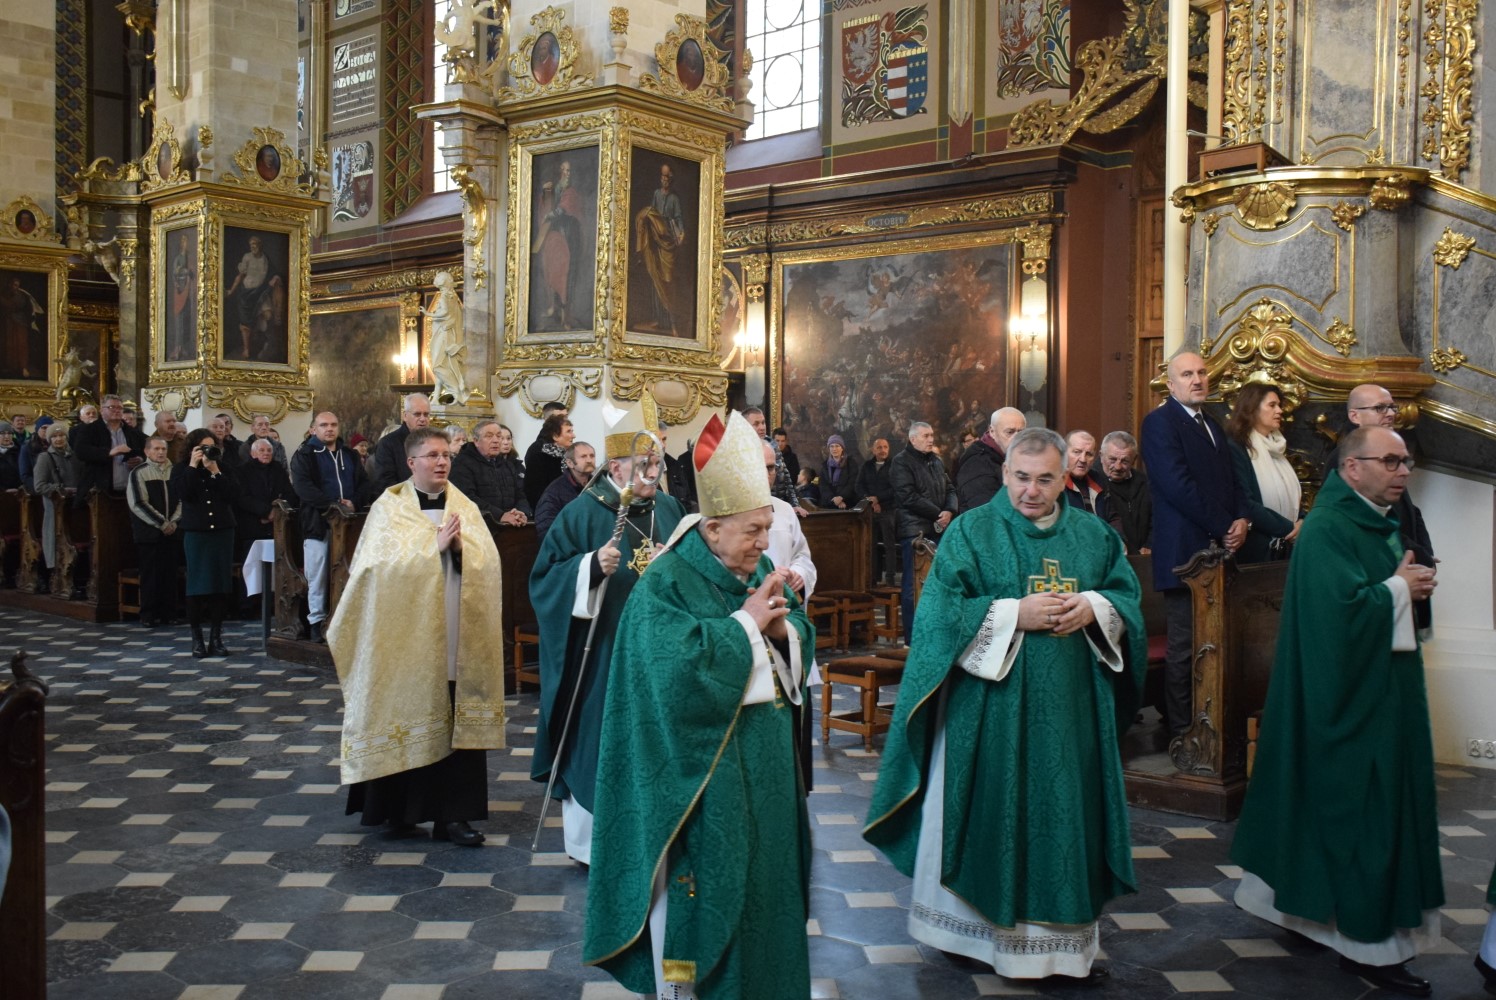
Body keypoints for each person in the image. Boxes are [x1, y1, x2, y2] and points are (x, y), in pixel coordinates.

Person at [864, 428, 1145, 983]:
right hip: (987, 713)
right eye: (1021, 477)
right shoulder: (972, 532)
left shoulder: (1093, 536)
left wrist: (1094, 607)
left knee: (1060, 815)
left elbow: (1127, 600)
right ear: (1004, 474)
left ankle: (1059, 950)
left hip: (1070, 717)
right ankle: (963, 933)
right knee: (988, 806)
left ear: (1065, 477)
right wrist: (1015, 613)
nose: (1031, 491)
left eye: (1045, 479)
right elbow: (940, 618)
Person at [583, 410, 814, 1000]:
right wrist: (746, 626)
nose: (766, 544)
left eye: (768, 527)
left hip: (762, 768)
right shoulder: (665, 584)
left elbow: (794, 630)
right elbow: (671, 675)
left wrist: (785, 632)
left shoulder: (756, 565)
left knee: (766, 885)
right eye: (753, 531)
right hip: (695, 777)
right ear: (712, 530)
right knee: (709, 884)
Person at [1231, 425, 1442, 998]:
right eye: (1391, 461)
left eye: (1406, 461)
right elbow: (1338, 616)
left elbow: (1372, 592)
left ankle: (1308, 913)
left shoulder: (1371, 518)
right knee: (1362, 809)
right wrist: (1400, 590)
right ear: (1353, 468)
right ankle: (1367, 945)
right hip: (1344, 699)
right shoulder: (1328, 527)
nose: (1403, 471)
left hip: (1380, 688)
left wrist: (1406, 585)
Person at [329, 426, 506, 847]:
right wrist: (434, 550)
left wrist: (463, 551)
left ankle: (454, 817)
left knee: (454, 715)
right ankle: (397, 810)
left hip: (456, 634)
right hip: (404, 640)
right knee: (405, 706)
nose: (442, 461)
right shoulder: (389, 508)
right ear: (411, 463)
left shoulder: (465, 506)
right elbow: (372, 571)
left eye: (446, 454)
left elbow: (489, 563)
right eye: (431, 455)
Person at [529, 400, 684, 865]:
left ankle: (654, 833)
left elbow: (694, 569)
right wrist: (589, 568)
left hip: (657, 651)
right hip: (601, 653)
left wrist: (670, 564)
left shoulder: (672, 509)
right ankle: (590, 845)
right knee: (596, 736)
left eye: (656, 464)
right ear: (615, 467)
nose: (652, 473)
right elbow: (544, 578)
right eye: (643, 465)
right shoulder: (582, 514)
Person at [1139, 351, 1250, 739]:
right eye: (1187, 374)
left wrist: (1241, 519)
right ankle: (1183, 732)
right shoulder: (1159, 423)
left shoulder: (1212, 424)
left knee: (1215, 644)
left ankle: (1211, 726)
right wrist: (1224, 524)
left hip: (1217, 553)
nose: (1197, 379)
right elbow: (1177, 486)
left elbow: (1232, 481)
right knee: (1185, 648)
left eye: (1202, 372)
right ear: (1170, 384)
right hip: (1185, 554)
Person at [1331, 384, 1436, 633]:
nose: (1390, 413)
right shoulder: (1344, 460)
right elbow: (1365, 521)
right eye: (1380, 408)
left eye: (1391, 407)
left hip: (1404, 560)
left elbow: (1411, 511)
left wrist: (1425, 551)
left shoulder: (1388, 451)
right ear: (1354, 416)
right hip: (1381, 573)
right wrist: (1416, 551)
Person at [291, 411, 368, 644]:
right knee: (318, 575)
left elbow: (365, 483)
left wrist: (353, 502)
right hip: (318, 524)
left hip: (350, 525)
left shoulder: (349, 455)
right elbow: (304, 488)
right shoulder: (305, 455)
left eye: (334, 424)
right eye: (323, 425)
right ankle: (316, 622)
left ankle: (348, 620)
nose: (329, 429)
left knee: (351, 572)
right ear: (314, 429)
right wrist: (334, 506)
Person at [890, 421, 957, 644]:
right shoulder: (901, 462)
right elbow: (907, 496)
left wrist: (949, 510)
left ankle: (934, 635)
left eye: (932, 435)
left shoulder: (936, 462)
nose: (931, 439)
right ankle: (913, 639)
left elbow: (950, 489)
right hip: (914, 531)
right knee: (913, 584)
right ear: (913, 439)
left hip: (938, 527)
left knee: (938, 583)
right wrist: (939, 513)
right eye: (926, 436)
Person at [176, 428, 239, 657]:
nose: (207, 451)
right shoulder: (182, 469)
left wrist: (215, 472)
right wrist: (194, 466)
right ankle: (197, 639)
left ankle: (216, 637)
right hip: (197, 533)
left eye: (211, 446)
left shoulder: (224, 468)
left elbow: (233, 495)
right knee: (197, 585)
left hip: (222, 532)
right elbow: (184, 493)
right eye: (202, 447)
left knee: (220, 585)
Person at [1224, 382, 1302, 562]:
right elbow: (1245, 501)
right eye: (1272, 405)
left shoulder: (1277, 446)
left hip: (1288, 545)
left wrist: (1302, 521)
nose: (1280, 411)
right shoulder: (1236, 447)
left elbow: (1291, 493)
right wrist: (1289, 527)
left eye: (1280, 405)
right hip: (1258, 548)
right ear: (1252, 409)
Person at [126, 435, 183, 627]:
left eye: (163, 449)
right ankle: (149, 614)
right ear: (147, 451)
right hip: (149, 533)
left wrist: (173, 522)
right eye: (156, 449)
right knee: (150, 575)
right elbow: (138, 503)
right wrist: (162, 523)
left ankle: (170, 612)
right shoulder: (139, 472)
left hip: (172, 531)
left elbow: (182, 500)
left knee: (170, 574)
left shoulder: (174, 471)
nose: (160, 452)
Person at [32, 422, 85, 597]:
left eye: (61, 435)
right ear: (50, 440)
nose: (59, 439)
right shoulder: (44, 458)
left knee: (74, 542)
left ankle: (77, 580)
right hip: (55, 508)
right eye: (54, 436)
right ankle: (51, 578)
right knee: (55, 542)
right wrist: (59, 489)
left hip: (75, 509)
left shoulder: (75, 456)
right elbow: (39, 486)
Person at [531, 158, 585, 330]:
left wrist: (552, 215)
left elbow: (563, 209)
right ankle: (553, 308)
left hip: (568, 240)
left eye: (569, 171)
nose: (567, 174)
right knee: (551, 272)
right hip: (555, 241)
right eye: (564, 170)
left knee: (566, 276)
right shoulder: (556, 189)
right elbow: (546, 207)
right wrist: (544, 192)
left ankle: (565, 317)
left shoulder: (571, 193)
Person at [634, 162, 687, 335]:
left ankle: (672, 320)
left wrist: (681, 233)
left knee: (667, 280)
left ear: (671, 179)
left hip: (668, 240)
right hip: (656, 240)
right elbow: (652, 213)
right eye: (662, 176)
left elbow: (678, 218)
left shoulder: (674, 199)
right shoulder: (657, 194)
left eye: (667, 177)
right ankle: (660, 318)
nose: (664, 180)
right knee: (655, 277)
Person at [449, 419, 531, 529]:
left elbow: (520, 495)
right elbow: (466, 499)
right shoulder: (461, 464)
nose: (496, 440)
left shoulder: (507, 464)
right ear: (476, 441)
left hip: (511, 526)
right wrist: (500, 515)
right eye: (489, 436)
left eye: (499, 436)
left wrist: (521, 513)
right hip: (480, 527)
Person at [73, 394, 146, 497]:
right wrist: (108, 452)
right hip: (100, 490)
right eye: (112, 407)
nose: (116, 410)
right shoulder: (89, 429)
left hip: (129, 491)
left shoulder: (133, 432)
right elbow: (80, 451)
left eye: (120, 408)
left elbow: (146, 450)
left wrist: (140, 459)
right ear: (102, 410)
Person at [955, 407, 1026, 512]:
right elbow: (988, 514)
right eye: (1010, 432)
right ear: (992, 431)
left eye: (1021, 432)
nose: (1017, 438)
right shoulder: (976, 464)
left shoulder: (1016, 459)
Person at [225, 235, 284, 361]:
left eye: (255, 244)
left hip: (261, 292)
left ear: (259, 245)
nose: (253, 247)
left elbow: (273, 272)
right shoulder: (247, 257)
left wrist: (275, 277)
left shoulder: (265, 258)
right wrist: (231, 290)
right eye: (251, 245)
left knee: (268, 315)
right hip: (247, 294)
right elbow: (240, 276)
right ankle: (247, 349)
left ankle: (265, 341)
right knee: (245, 323)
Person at [1094, 431, 1152, 555]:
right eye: (1112, 459)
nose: (1118, 466)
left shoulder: (1144, 482)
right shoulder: (1091, 482)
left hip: (1144, 557)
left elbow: (1157, 518)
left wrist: (1150, 544)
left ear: (1134, 460)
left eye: (1125, 461)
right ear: (1101, 455)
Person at [234, 438, 294, 555]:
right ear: (253, 453)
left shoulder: (278, 469)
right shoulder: (242, 471)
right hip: (252, 525)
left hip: (278, 524)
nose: (266, 453)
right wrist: (266, 512)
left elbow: (289, 493)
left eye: (269, 450)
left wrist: (277, 512)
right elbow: (243, 497)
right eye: (261, 450)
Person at [534, 440, 595, 542]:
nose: (589, 460)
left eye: (592, 456)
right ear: (570, 463)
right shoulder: (554, 492)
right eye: (583, 456)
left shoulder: (599, 486)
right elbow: (547, 531)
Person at [858, 437, 899, 585]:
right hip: (870, 511)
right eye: (879, 447)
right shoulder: (867, 466)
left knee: (889, 545)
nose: (883, 450)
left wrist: (878, 499)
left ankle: (890, 578)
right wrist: (870, 500)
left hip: (888, 510)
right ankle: (873, 577)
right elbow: (859, 486)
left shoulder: (895, 465)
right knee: (871, 544)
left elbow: (896, 488)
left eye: (885, 447)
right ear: (873, 450)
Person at [424, 271, 468, 404]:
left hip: (444, 335)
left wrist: (428, 314)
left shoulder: (445, 297)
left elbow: (444, 312)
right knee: (443, 365)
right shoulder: (452, 297)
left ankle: (455, 392)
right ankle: (437, 397)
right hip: (447, 334)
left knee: (437, 366)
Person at [372, 393, 432, 490]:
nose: (422, 419)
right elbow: (385, 482)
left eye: (426, 414)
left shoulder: (434, 442)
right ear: (405, 416)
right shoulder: (388, 444)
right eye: (417, 414)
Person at [523, 412, 573, 509]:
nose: (573, 435)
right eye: (568, 431)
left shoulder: (570, 457)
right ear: (555, 436)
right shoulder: (539, 458)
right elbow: (534, 493)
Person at [1061, 430, 1105, 513]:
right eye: (1077, 452)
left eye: (1089, 454)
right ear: (1064, 452)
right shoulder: (1056, 484)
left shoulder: (1099, 479)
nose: (1083, 459)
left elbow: (1113, 516)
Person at [820, 434, 859, 508]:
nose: (834, 449)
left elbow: (852, 483)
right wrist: (833, 499)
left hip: (848, 502)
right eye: (832, 446)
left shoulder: (851, 463)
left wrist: (841, 497)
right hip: (830, 503)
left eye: (837, 446)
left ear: (842, 448)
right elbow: (823, 485)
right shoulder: (825, 465)